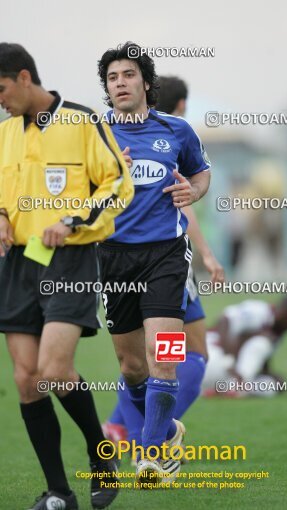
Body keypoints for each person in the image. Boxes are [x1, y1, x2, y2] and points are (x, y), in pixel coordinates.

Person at [0, 43, 134, 510]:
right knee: (26, 379)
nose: (0, 101)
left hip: (70, 258)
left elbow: (118, 181)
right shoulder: (5, 133)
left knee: (54, 371)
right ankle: (58, 492)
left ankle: (102, 458)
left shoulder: (80, 120)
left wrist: (74, 220)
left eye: (0, 89)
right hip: (19, 262)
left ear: (23, 77)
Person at [97, 43, 211, 483]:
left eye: (128, 75)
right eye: (112, 77)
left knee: (164, 359)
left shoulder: (177, 129)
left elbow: (200, 173)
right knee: (131, 367)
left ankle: (152, 455)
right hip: (112, 258)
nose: (120, 83)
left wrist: (193, 192)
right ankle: (166, 436)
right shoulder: (96, 134)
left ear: (145, 82)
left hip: (166, 256)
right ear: (107, 88)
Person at [202, 295, 287, 397]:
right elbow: (225, 320)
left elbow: (253, 358)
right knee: (262, 342)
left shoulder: (276, 330)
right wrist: (228, 362)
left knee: (273, 385)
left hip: (221, 372)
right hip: (211, 357)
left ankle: (224, 389)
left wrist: (270, 374)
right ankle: (236, 388)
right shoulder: (259, 310)